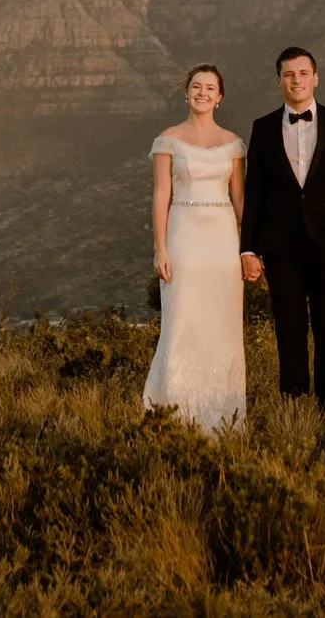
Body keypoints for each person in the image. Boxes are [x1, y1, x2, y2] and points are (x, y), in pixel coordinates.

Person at [238, 45, 325, 407]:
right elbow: (255, 191)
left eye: (303, 73)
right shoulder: (262, 128)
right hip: (280, 247)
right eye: (289, 74)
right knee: (289, 328)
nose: (296, 80)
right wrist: (248, 248)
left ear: (316, 78)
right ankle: (294, 404)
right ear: (278, 80)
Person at [140, 64, 247, 430]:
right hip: (183, 237)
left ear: (220, 97)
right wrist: (160, 248)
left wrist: (248, 248)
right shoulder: (168, 139)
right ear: (186, 93)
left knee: (222, 325)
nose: (202, 93)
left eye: (210, 88)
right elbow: (160, 195)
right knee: (180, 320)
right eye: (196, 86)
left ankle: (223, 418)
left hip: (222, 242)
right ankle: (173, 414)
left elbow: (240, 200)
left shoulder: (234, 144)